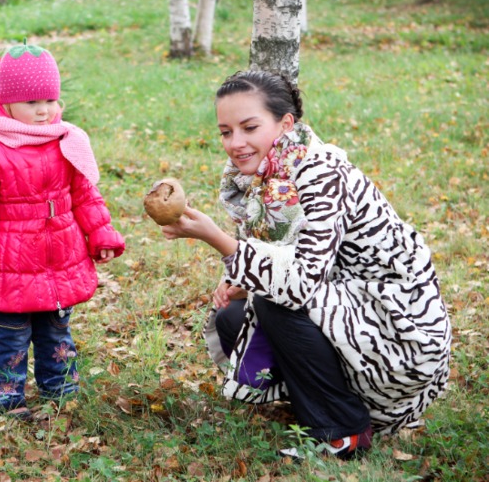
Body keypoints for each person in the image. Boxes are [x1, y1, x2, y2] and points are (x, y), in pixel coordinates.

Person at [160, 70, 451, 459]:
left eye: (249, 127)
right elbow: (285, 255)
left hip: (399, 329)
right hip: (351, 304)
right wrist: (240, 278)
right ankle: (314, 401)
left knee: (273, 300)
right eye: (226, 132)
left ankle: (343, 433)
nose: (236, 143)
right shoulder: (267, 175)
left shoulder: (319, 173)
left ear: (285, 123)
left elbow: (300, 285)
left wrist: (220, 241)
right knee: (232, 316)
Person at [0, 42, 125, 418]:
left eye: (49, 100)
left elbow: (85, 194)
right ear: (6, 103)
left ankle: (60, 387)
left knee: (56, 331)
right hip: (12, 263)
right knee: (10, 334)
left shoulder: (66, 140)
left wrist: (101, 234)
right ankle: (4, 397)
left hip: (58, 256)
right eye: (32, 102)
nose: (44, 110)